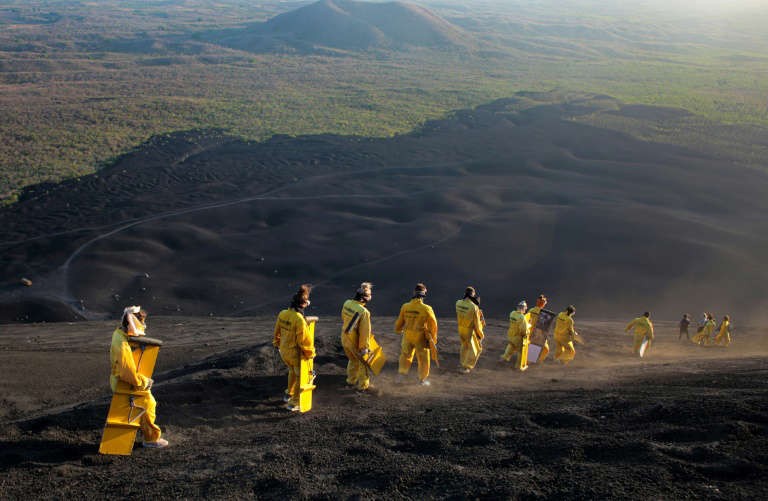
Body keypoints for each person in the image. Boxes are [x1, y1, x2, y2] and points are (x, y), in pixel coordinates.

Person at [109, 306, 167, 448]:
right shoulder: (122, 344)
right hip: (124, 382)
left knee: (142, 404)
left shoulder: (119, 334)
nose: (143, 327)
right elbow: (126, 371)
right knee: (147, 403)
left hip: (118, 379)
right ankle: (151, 439)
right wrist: (143, 381)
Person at [273, 284, 315, 411]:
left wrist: (276, 343)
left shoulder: (283, 313)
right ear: (303, 304)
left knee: (292, 371)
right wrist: (310, 354)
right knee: (300, 377)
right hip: (295, 354)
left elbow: (277, 332)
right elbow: (305, 341)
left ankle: (288, 393)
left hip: (284, 351)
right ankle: (294, 402)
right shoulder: (299, 320)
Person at [395, 283, 438, 386]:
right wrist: (432, 339)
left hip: (407, 335)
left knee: (405, 355)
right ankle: (422, 380)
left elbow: (400, 321)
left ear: (414, 293)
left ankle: (401, 376)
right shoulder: (427, 308)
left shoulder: (405, 306)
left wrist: (398, 330)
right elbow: (433, 325)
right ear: (424, 294)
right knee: (423, 359)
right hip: (420, 337)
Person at [341, 282, 374, 391]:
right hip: (354, 340)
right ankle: (363, 386)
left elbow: (343, 317)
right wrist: (364, 348)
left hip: (345, 338)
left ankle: (351, 381)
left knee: (352, 360)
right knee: (362, 363)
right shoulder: (364, 312)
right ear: (365, 298)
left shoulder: (347, 303)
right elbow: (365, 332)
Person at [455, 286, 485, 373]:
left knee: (464, 346)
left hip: (460, 328)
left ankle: (463, 362)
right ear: (473, 295)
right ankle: (467, 366)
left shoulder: (458, 303)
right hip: (469, 330)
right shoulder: (473, 307)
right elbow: (477, 323)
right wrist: (480, 334)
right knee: (475, 349)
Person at [501, 300, 531, 371]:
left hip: (511, 335)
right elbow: (523, 329)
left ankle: (504, 358)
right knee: (521, 351)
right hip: (518, 337)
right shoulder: (522, 317)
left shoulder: (512, 313)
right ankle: (518, 366)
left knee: (511, 346)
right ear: (523, 308)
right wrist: (528, 331)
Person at [526, 294, 551, 362]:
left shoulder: (531, 310)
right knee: (545, 349)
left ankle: (530, 361)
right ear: (543, 304)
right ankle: (534, 362)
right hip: (537, 334)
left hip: (530, 332)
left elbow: (526, 320)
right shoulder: (544, 314)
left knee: (533, 348)